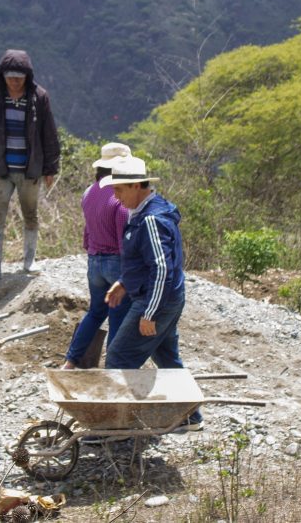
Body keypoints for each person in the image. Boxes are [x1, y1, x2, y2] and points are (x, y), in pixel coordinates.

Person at [101, 156, 202, 431]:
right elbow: (146, 262)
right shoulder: (144, 213)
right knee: (166, 356)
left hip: (157, 301)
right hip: (163, 298)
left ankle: (116, 426)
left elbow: (161, 269)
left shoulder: (151, 220)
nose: (116, 197)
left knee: (119, 357)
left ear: (136, 185)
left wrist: (150, 312)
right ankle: (190, 417)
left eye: (119, 190)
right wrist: (124, 282)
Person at [0, 49, 61, 284]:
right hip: (0, 169)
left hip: (30, 169)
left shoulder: (39, 97)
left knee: (30, 214)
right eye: (10, 77)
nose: (14, 82)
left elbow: (49, 133)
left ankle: (29, 261)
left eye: (19, 78)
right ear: (2, 75)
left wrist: (50, 168)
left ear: (27, 77)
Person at [61, 142, 132, 369]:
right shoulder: (120, 196)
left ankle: (70, 361)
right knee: (118, 316)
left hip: (94, 261)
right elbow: (124, 240)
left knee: (95, 313)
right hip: (115, 262)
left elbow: (87, 232)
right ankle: (112, 368)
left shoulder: (89, 192)